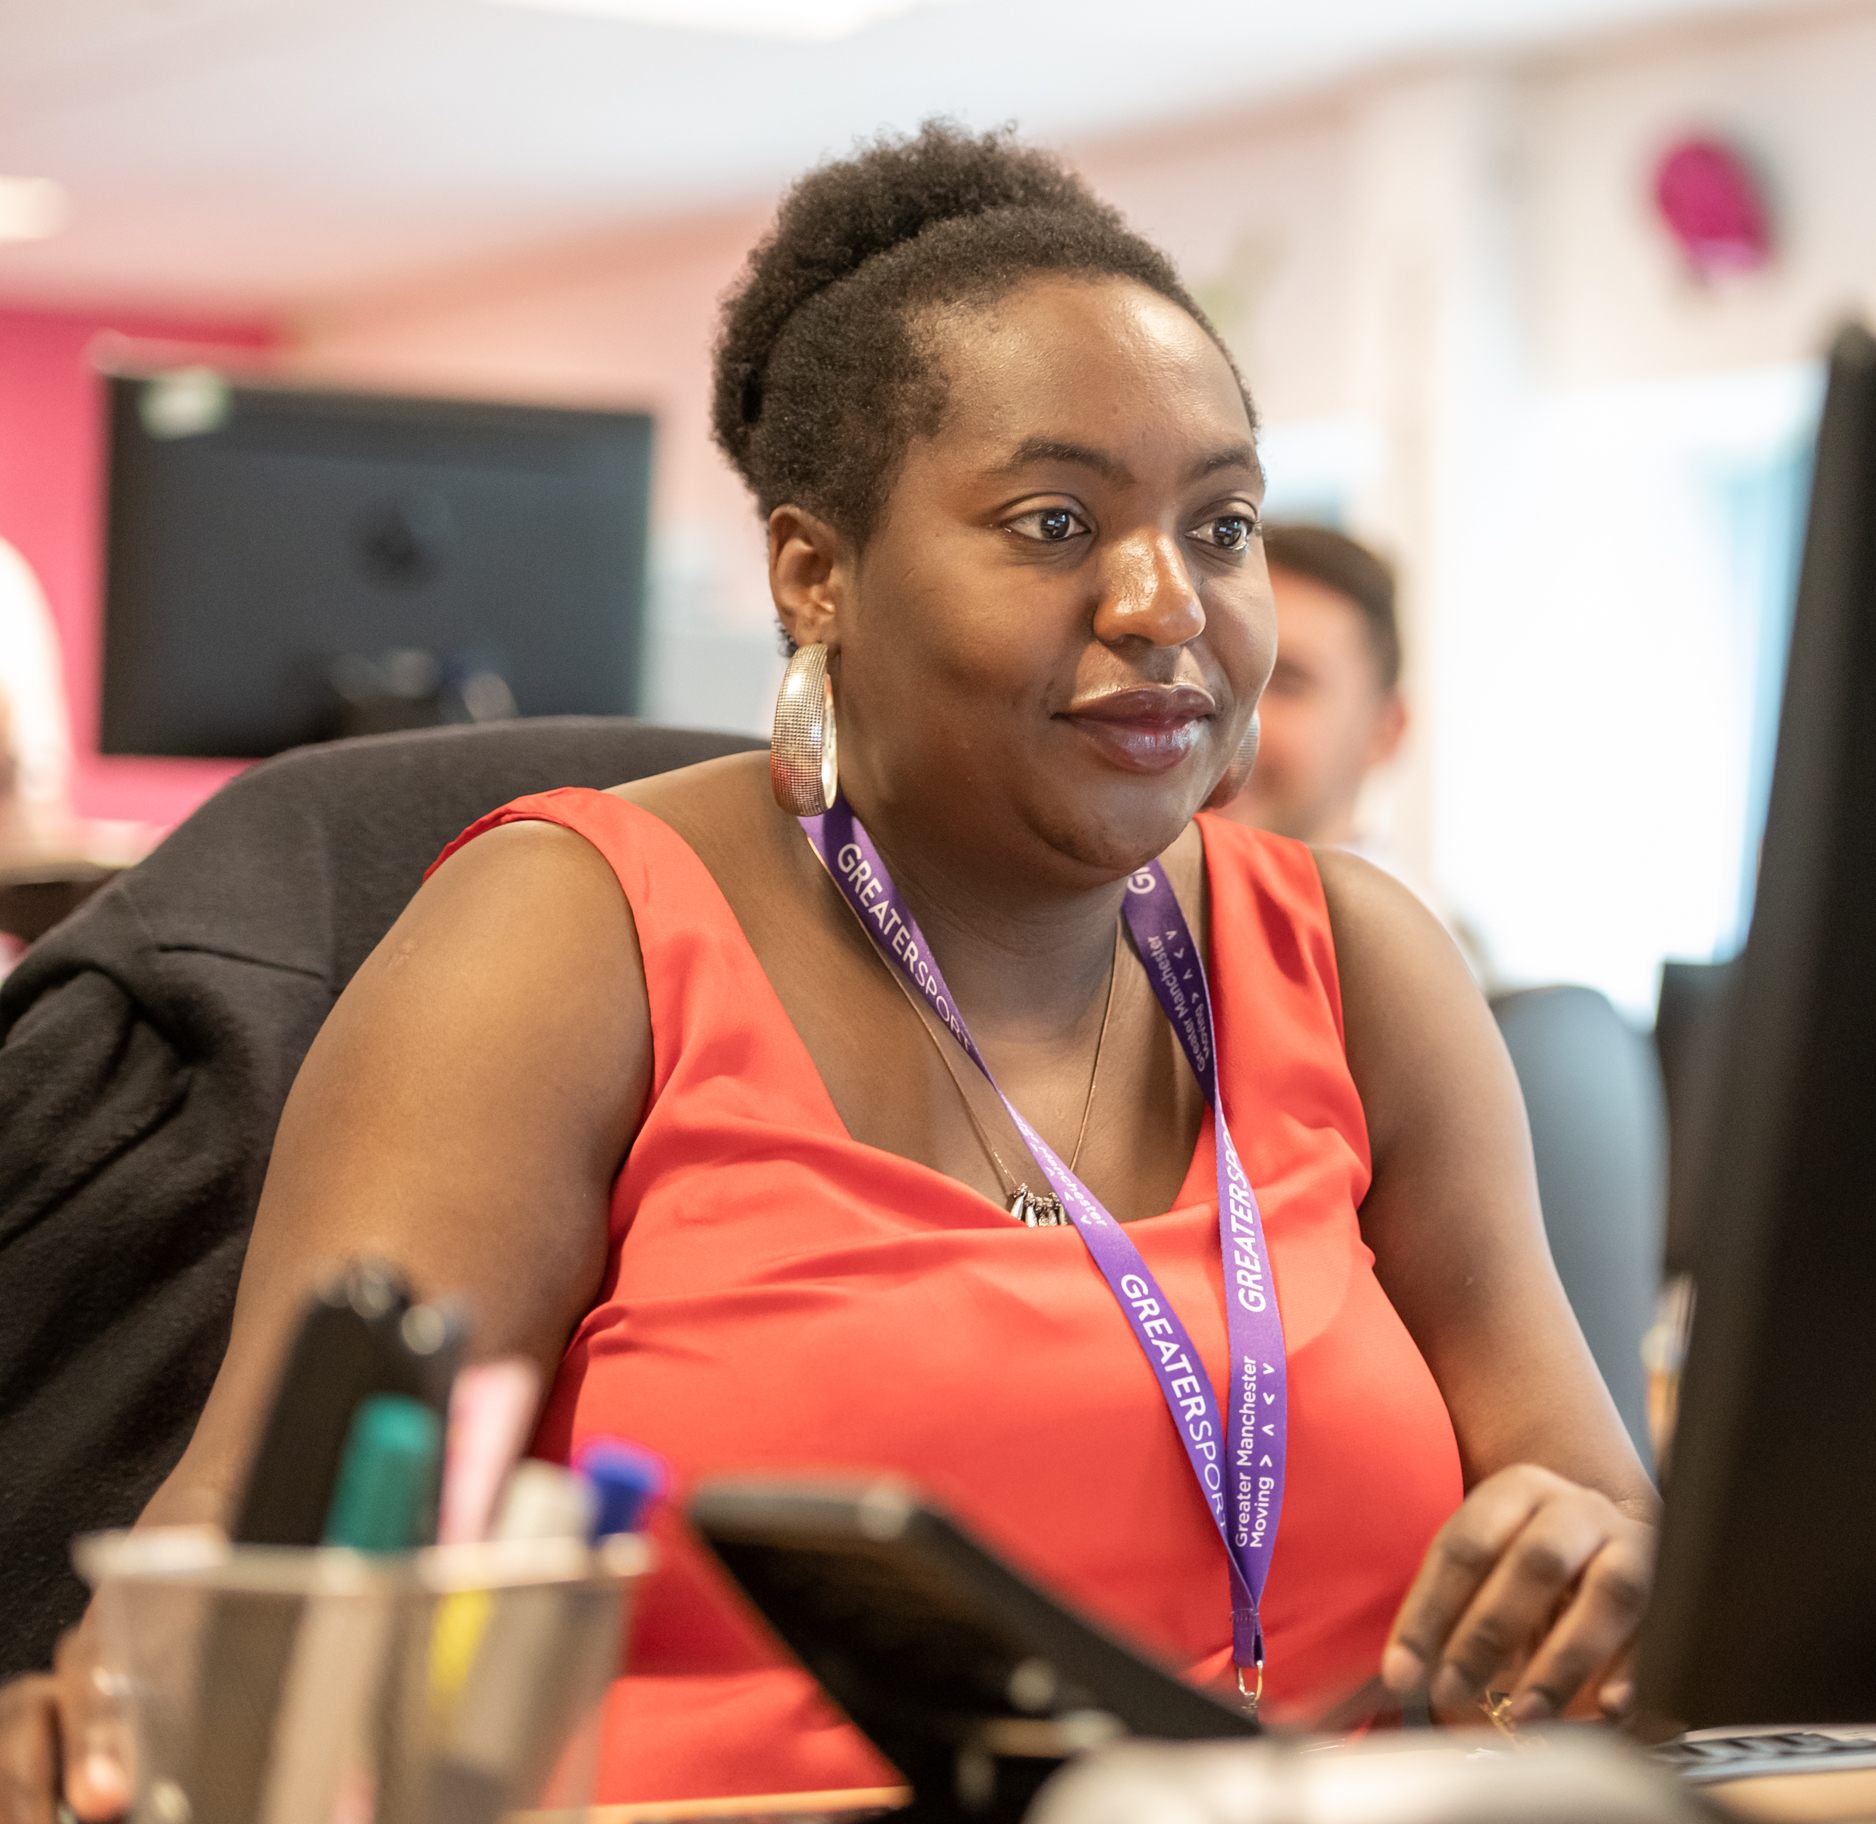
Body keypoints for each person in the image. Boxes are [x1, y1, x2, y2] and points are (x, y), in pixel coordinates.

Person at [0, 124, 1653, 1814]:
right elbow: (260, 1543)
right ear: (814, 571)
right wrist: (134, 1695)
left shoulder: (1358, 960)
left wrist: (1592, 1539)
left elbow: (1592, 1487)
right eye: (1056, 519)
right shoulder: (567, 936)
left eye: (1221, 524)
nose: (1168, 601)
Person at [1214, 524, 1407, 851]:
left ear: (1383, 733)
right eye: (1212, 671)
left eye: (1286, 684)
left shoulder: (1408, 904)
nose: (1224, 716)